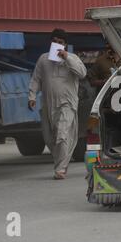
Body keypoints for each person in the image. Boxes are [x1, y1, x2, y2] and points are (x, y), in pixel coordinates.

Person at [28, 29, 87, 180]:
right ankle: (60, 162)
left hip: (67, 104)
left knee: (62, 134)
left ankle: (60, 169)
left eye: (60, 42)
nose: (57, 45)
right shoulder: (43, 59)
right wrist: (32, 96)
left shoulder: (72, 58)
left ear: (65, 44)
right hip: (48, 105)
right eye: (54, 41)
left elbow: (82, 73)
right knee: (49, 138)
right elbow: (36, 79)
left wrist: (67, 58)